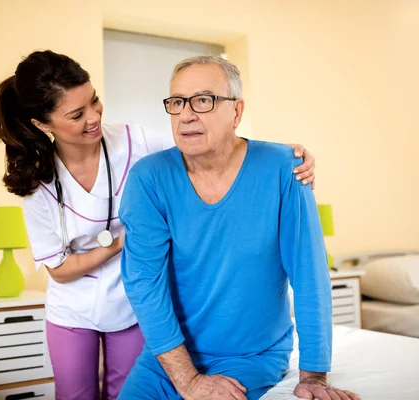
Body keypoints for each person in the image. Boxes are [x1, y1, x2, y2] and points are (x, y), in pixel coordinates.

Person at [0, 50, 318, 400]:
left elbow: (211, 144)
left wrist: (280, 156)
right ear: (43, 124)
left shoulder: (136, 142)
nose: (93, 117)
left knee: (121, 390)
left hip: (131, 307)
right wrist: (118, 245)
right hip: (73, 307)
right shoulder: (36, 179)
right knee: (75, 395)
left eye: (94, 101)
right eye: (76, 114)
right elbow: (59, 268)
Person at [118, 55, 360, 400]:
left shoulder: (284, 169)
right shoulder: (148, 178)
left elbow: (309, 275)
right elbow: (145, 285)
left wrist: (313, 376)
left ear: (237, 111)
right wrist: (188, 380)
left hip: (251, 357)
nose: (186, 114)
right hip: (168, 360)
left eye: (203, 100)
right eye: (176, 102)